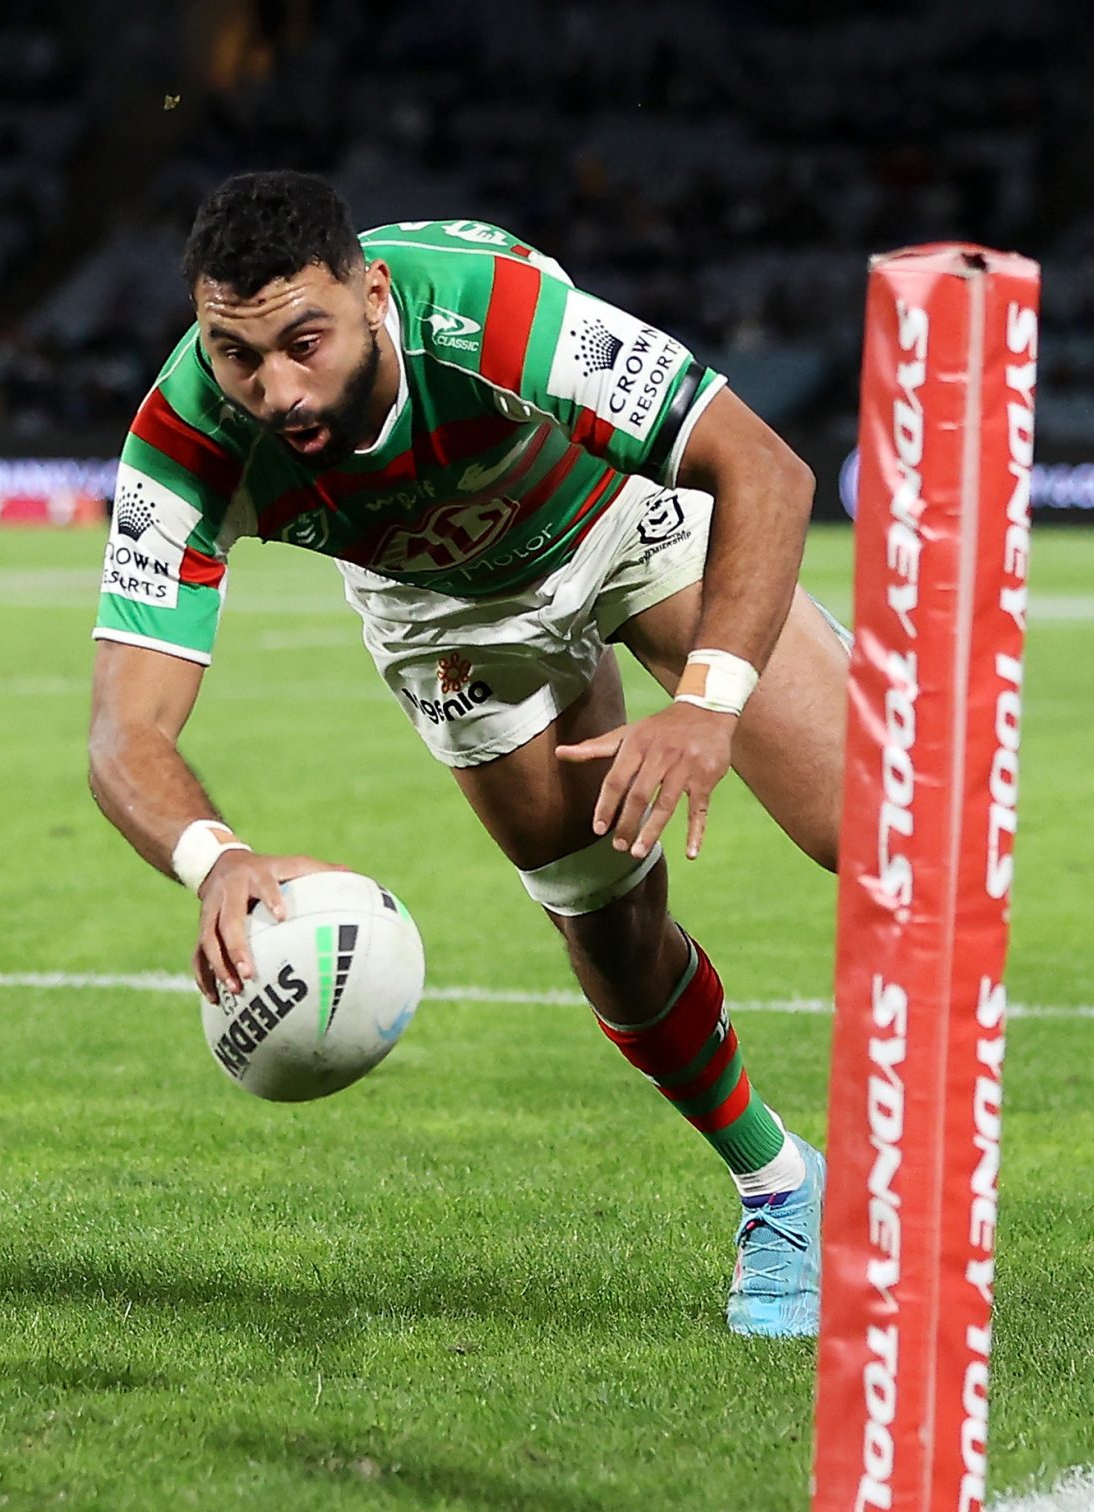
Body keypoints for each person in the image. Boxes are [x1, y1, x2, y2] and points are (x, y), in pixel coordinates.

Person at [85, 170, 848, 1336]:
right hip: (445, 611)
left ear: (371, 293)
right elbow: (124, 733)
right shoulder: (186, 436)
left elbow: (766, 470)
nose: (276, 390)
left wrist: (705, 703)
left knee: (872, 833)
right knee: (606, 927)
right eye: (237, 355)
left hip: (617, 515)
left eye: (305, 342)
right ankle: (782, 1187)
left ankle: (930, 1179)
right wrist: (215, 859)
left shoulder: (487, 312)